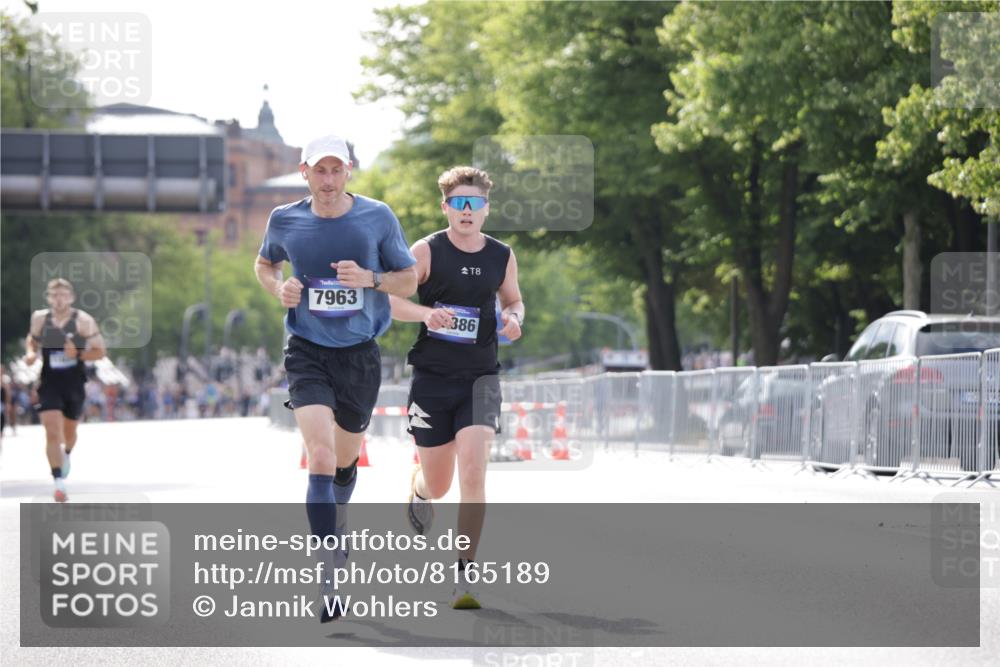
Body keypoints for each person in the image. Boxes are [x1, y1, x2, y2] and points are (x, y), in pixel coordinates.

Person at [253, 133, 417, 622]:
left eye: (336, 170)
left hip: (359, 354)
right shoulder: (285, 218)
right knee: (319, 455)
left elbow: (408, 280)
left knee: (345, 462)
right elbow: (265, 263)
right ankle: (327, 575)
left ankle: (337, 520)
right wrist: (277, 287)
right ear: (304, 172)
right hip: (306, 350)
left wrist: (370, 279)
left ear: (349, 171)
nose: (327, 180)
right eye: (318, 170)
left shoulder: (377, 216)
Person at [390, 166, 524, 609]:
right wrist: (426, 315)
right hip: (432, 379)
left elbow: (513, 299)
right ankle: (421, 488)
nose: (468, 211)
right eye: (459, 203)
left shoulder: (501, 255)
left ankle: (465, 575)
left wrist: (515, 319)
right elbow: (392, 300)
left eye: (476, 204)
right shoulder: (426, 251)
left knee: (474, 471)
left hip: (481, 376)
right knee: (440, 484)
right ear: (445, 206)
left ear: (486, 208)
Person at [24, 278, 107, 502]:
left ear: (71, 298)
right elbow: (32, 339)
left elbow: (100, 351)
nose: (59, 300)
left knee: (69, 433)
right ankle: (58, 482)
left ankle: (67, 453)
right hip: (49, 382)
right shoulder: (41, 318)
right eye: (54, 295)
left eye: (63, 295)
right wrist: (31, 353)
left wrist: (78, 354)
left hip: (74, 382)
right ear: (49, 298)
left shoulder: (83, 321)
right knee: (51, 430)